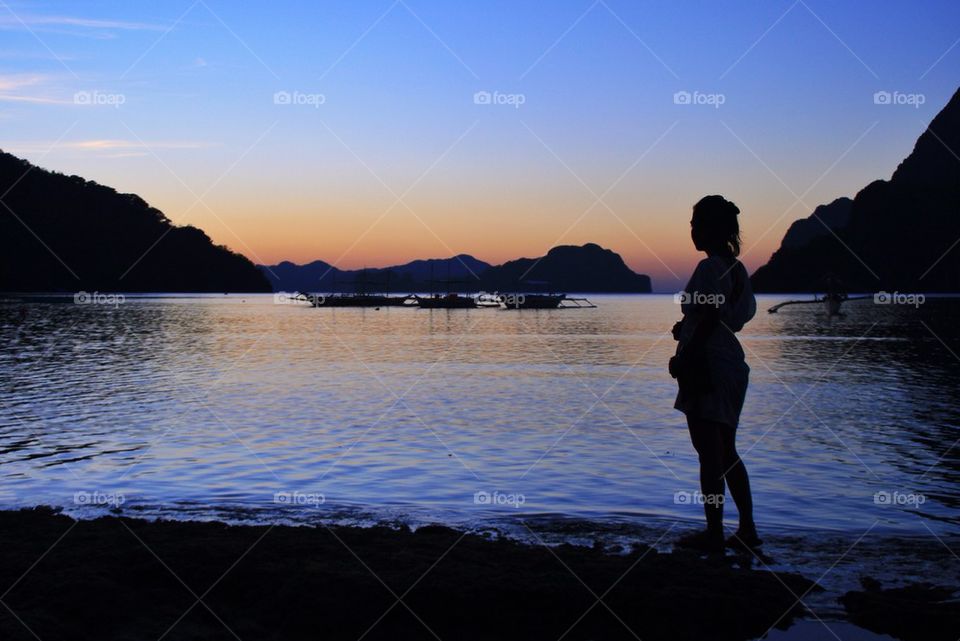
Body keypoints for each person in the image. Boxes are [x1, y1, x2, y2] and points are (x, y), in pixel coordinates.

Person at [669, 195, 759, 553]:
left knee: (709, 454)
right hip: (731, 366)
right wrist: (686, 325)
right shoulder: (737, 271)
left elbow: (707, 319)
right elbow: (726, 318)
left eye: (695, 224)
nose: (691, 230)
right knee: (727, 451)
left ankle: (714, 533)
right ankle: (747, 529)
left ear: (710, 229)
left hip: (708, 364)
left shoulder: (709, 270)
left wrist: (685, 356)